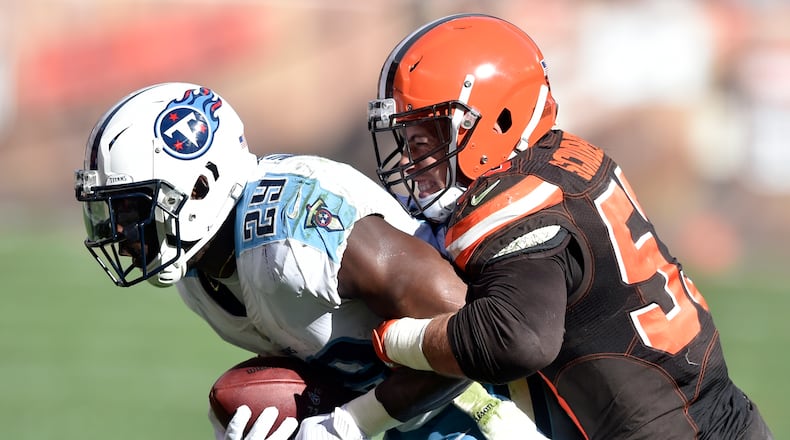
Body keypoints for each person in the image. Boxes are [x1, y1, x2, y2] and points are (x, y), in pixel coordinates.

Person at [368, 13, 773, 440]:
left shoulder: (514, 205)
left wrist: (397, 338)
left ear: (497, 119)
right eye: (409, 140)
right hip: (725, 412)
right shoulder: (570, 158)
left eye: (428, 138)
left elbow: (517, 339)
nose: (416, 163)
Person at [74, 82, 547, 440]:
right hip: (400, 418)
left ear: (199, 187)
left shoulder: (300, 232)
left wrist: (346, 425)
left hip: (482, 411)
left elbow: (475, 330)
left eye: (132, 209)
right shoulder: (198, 277)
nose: (119, 232)